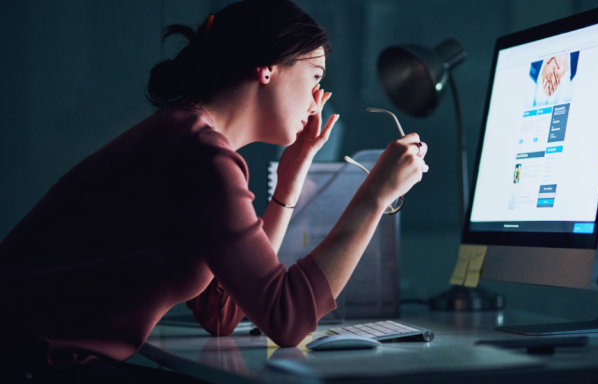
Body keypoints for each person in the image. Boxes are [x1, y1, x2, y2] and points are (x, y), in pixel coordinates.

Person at [0, 0, 428, 381]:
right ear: (268, 67)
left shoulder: (190, 139)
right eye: (314, 76)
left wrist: (290, 178)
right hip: (33, 361)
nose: (318, 99)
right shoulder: (200, 154)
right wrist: (374, 196)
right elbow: (287, 319)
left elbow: (222, 314)